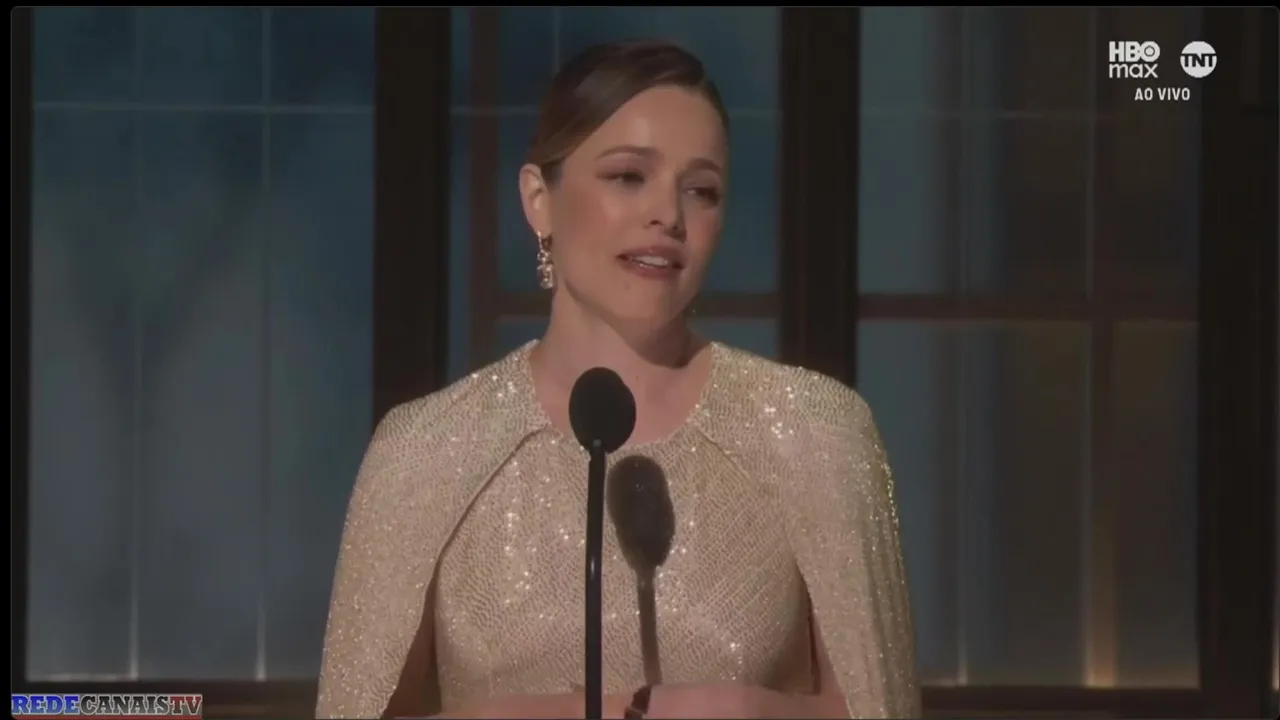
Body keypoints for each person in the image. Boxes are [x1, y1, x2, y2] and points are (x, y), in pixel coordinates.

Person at [315, 38, 919, 720]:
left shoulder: (816, 431)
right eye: (629, 176)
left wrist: (739, 709)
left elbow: (881, 709)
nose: (668, 215)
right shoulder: (425, 449)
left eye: (701, 190)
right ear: (539, 200)